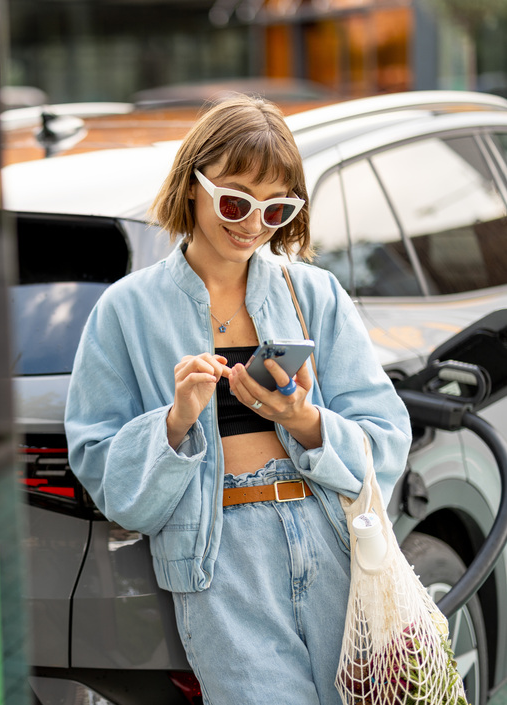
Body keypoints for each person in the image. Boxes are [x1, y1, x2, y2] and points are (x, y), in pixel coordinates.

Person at [63, 94, 412, 704]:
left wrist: (303, 421)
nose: (253, 223)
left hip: (331, 541)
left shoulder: (317, 294)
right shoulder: (127, 310)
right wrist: (176, 422)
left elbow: (386, 442)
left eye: (276, 209)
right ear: (191, 185)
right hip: (219, 558)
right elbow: (101, 468)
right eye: (234, 200)